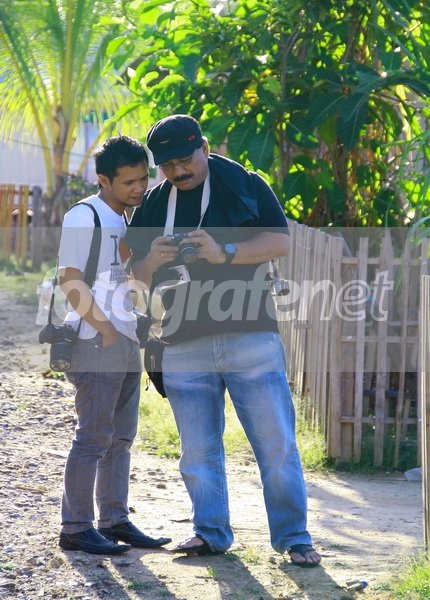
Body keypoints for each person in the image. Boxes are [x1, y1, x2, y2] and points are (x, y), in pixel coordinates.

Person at [126, 115, 321, 567]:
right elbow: (134, 278)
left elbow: (279, 242)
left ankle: (294, 537)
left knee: (276, 444)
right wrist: (151, 261)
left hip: (251, 335)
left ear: (205, 148)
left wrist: (223, 252)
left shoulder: (245, 184)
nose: (178, 171)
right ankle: (210, 533)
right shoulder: (154, 203)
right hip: (181, 340)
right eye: (167, 165)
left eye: (185, 160)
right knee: (197, 450)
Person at [57, 135, 171, 555]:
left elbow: (129, 280)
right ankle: (75, 528)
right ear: (103, 180)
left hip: (125, 337)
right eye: (128, 182)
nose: (139, 188)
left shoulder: (125, 218)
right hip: (96, 340)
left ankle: (114, 520)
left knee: (121, 437)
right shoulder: (84, 215)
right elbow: (69, 280)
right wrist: (105, 332)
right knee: (93, 437)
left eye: (143, 178)